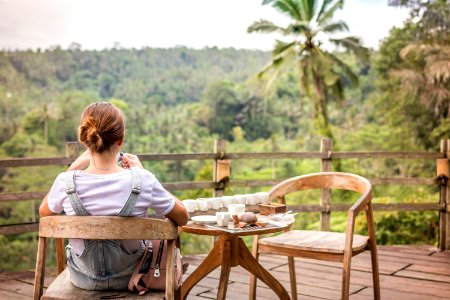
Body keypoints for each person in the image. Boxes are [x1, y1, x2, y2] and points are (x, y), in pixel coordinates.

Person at [39, 101, 189, 290]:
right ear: (121, 140)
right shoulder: (143, 180)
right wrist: (143, 172)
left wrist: (74, 166)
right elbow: (183, 216)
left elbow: (44, 212)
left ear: (85, 140)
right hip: (133, 276)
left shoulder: (65, 182)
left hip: (82, 278)